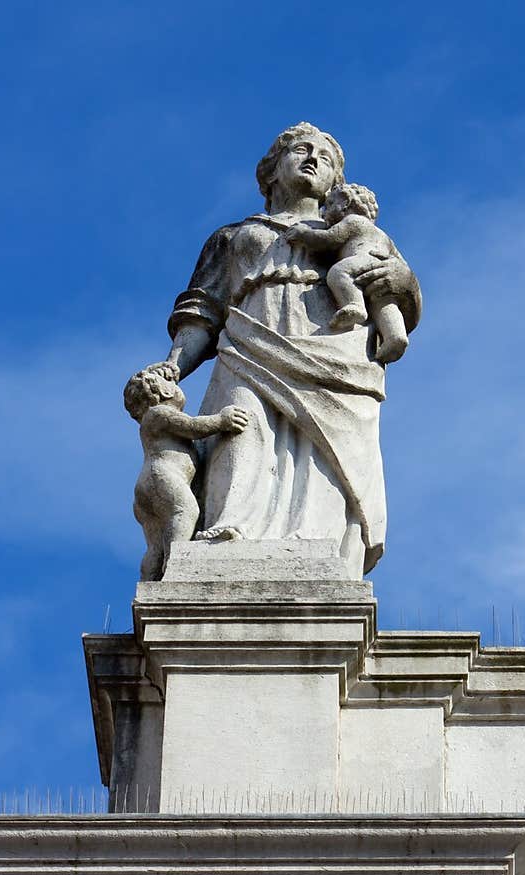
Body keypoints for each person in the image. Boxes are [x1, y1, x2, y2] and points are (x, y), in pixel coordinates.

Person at [136, 122, 421, 577]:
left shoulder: (349, 230)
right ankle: (230, 532)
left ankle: (319, 543)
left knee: (321, 456)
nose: (312, 159)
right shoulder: (233, 236)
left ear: (335, 182)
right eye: (301, 151)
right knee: (239, 430)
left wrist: (403, 284)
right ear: (271, 170)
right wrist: (173, 366)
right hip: (248, 344)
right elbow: (203, 312)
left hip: (335, 350)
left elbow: (393, 283)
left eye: (325, 158)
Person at [124, 363, 249, 581]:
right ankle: (176, 567)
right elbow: (192, 426)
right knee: (185, 511)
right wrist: (222, 420)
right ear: (162, 391)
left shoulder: (151, 419)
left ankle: (151, 579)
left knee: (155, 546)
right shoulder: (159, 414)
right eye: (169, 382)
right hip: (162, 477)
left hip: (148, 485)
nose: (175, 383)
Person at [284, 182, 409, 365]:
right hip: (381, 267)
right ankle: (395, 336)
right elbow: (400, 262)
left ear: (344, 204)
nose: (324, 213)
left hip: (360, 262)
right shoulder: (383, 235)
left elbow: (329, 239)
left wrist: (304, 234)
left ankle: (354, 305)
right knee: (383, 302)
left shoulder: (351, 221)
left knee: (337, 273)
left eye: (328, 206)